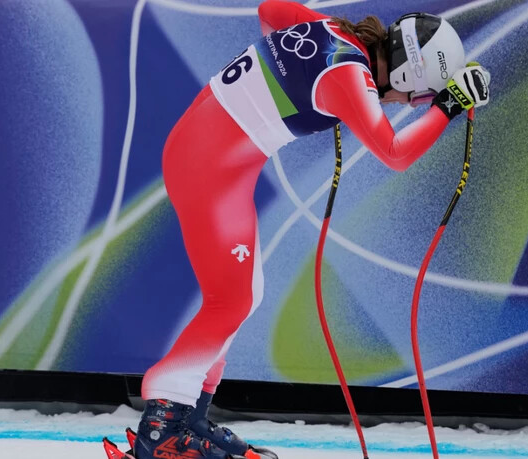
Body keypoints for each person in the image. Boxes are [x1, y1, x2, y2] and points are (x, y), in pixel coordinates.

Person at [124, 1, 491, 458]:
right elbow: (394, 153)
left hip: (214, 161)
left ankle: (189, 414)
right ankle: (161, 425)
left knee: (244, 295)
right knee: (230, 301)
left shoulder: (330, 30)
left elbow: (272, 12)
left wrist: (291, 80)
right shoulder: (349, 77)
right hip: (209, 170)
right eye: (418, 98)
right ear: (406, 76)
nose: (406, 105)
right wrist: (449, 105)